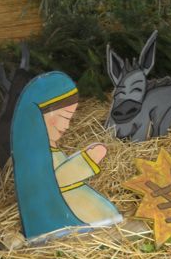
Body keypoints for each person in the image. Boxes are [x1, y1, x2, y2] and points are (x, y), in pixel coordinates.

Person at [11, 72, 122, 240]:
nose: (67, 126)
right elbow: (55, 181)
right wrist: (87, 160)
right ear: (41, 118)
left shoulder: (50, 154)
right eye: (65, 117)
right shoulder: (36, 160)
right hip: (67, 225)